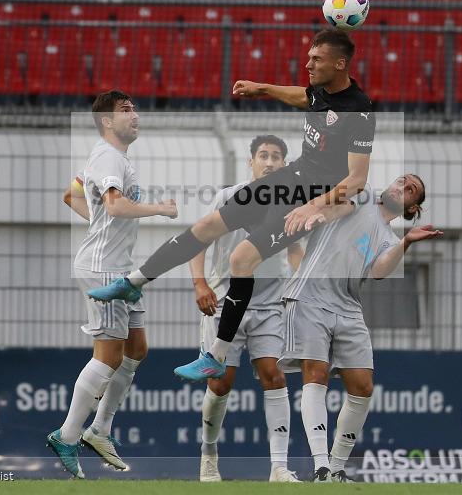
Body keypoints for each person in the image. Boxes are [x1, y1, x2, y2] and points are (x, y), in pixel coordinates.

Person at [87, 29, 376, 384]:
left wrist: (311, 206)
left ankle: (217, 355)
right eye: (309, 57)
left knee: (241, 259)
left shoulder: (359, 110)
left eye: (316, 59)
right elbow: (306, 97)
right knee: (207, 226)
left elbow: (357, 179)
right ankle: (133, 282)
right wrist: (263, 89)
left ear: (340, 63)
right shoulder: (322, 91)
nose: (308, 64)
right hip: (291, 177)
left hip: (310, 199)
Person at [46, 90, 178, 479]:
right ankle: (67, 436)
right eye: (125, 110)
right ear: (107, 121)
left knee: (136, 348)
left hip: (118, 266)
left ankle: (100, 429)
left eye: (135, 107)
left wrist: (99, 225)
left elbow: (70, 193)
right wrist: (161, 209)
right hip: (104, 269)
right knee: (107, 356)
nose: (134, 114)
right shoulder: (107, 156)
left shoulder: (112, 157)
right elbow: (117, 206)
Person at [281, 175, 442, 482]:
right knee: (315, 375)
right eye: (401, 181)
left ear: (413, 207)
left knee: (363, 386)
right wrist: (318, 210)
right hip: (309, 295)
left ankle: (337, 467)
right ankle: (321, 467)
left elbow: (380, 271)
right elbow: (338, 205)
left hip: (348, 306)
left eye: (410, 190)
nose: (400, 187)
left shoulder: (390, 239)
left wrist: (406, 242)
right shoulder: (364, 194)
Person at [191, 135, 304, 483]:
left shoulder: (289, 202)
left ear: (285, 165)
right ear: (251, 162)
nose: (269, 162)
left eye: (276, 157)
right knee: (221, 384)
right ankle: (208, 456)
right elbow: (198, 238)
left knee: (274, 375)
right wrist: (200, 283)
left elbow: (295, 250)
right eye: (263, 156)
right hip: (225, 304)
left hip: (270, 305)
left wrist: (299, 285)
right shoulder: (228, 197)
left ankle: (279, 468)